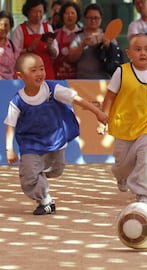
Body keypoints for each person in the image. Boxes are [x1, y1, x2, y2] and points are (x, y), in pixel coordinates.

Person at [4, 53, 108, 215]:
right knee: (29, 177)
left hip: (56, 141)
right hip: (30, 145)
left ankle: (39, 180)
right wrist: (9, 148)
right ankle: (45, 200)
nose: (40, 73)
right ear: (20, 76)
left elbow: (77, 99)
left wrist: (98, 113)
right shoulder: (17, 101)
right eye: (33, 70)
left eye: (42, 68)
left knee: (57, 170)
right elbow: (10, 125)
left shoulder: (52, 89)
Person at [99, 34, 147, 204]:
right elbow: (109, 97)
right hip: (123, 126)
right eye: (138, 50)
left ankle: (143, 195)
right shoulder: (121, 72)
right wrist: (102, 120)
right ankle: (121, 176)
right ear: (129, 53)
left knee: (146, 160)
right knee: (122, 165)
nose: (142, 53)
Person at [12, 0, 59, 80]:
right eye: (34, 12)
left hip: (46, 73)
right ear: (28, 12)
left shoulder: (48, 28)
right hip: (27, 74)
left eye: (40, 12)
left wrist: (50, 47)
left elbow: (56, 54)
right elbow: (14, 54)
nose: (38, 15)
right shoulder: (19, 30)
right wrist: (29, 49)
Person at [68, 3, 117, 79]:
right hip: (83, 79)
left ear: (101, 18)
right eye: (90, 18)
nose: (93, 20)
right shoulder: (78, 36)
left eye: (96, 18)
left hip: (104, 79)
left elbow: (116, 57)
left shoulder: (108, 35)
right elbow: (71, 58)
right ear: (85, 19)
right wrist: (83, 44)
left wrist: (108, 46)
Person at [53, 1, 82, 80]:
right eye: (66, 13)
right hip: (59, 76)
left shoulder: (82, 34)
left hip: (78, 78)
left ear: (77, 15)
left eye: (72, 13)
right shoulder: (56, 34)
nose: (70, 16)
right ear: (62, 16)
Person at [0, 10, 20, 80]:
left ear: (10, 27)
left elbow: (16, 69)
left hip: (10, 85)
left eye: (6, 25)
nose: (2, 28)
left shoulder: (12, 46)